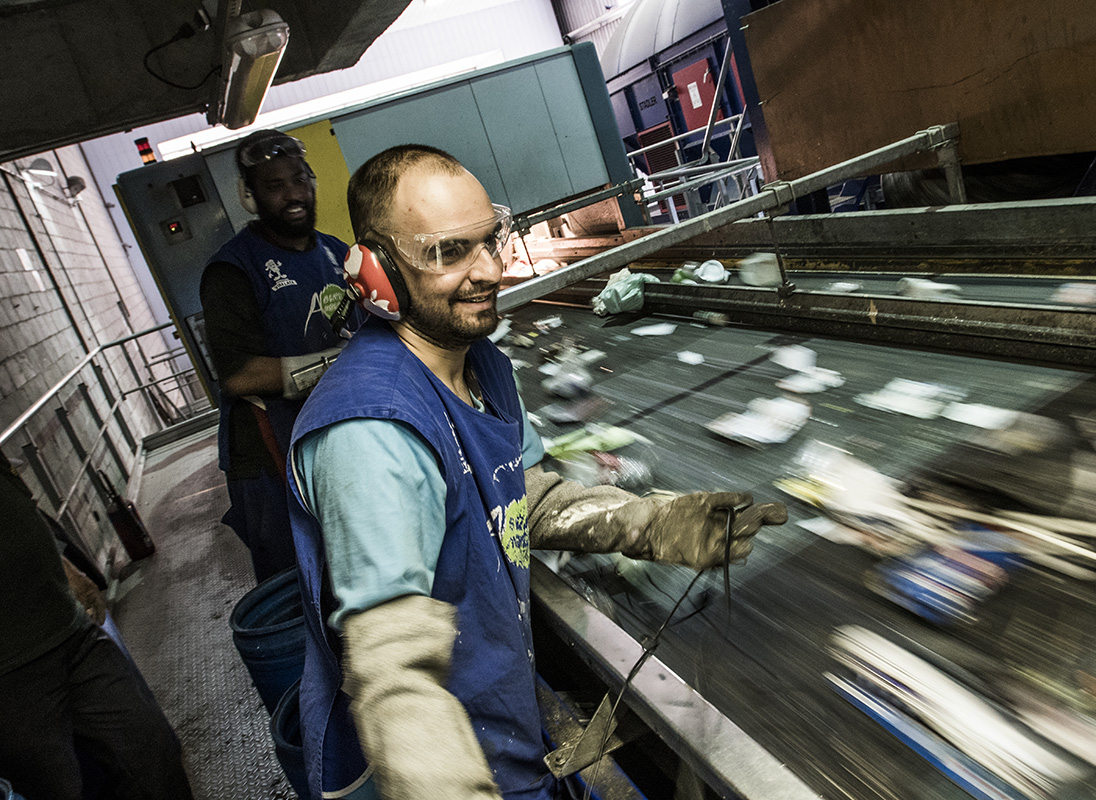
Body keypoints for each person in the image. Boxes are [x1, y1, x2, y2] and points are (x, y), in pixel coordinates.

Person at [286, 144, 788, 800]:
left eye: (490, 241)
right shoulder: (373, 432)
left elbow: (515, 490)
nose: (489, 270)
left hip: (505, 720)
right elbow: (397, 680)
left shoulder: (481, 363)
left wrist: (650, 522)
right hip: (446, 761)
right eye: (448, 252)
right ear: (377, 275)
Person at [200, 129, 359, 583]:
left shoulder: (336, 252)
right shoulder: (233, 270)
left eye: (299, 179)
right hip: (272, 457)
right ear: (249, 197)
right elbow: (239, 377)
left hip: (335, 440)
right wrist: (339, 364)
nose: (293, 194)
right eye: (274, 186)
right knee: (302, 582)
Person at [0, 466, 194, 800]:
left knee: (153, 750)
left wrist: (68, 569)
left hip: (70, 630)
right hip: (11, 675)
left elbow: (17, 501)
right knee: (61, 789)